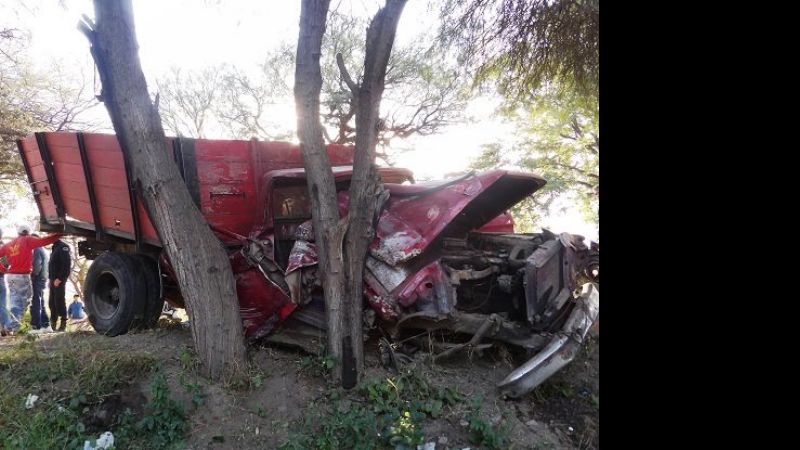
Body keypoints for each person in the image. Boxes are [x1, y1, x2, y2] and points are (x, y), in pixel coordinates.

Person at [0, 225, 61, 333]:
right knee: (24, 301)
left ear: (18, 232)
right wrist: (59, 234)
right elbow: (44, 241)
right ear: (28, 233)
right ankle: (11, 328)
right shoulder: (28, 240)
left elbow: (2, 256)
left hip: (10, 277)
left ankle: (10, 326)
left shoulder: (8, 244)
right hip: (22, 276)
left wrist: (5, 268)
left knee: (15, 300)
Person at [48, 237, 72, 332]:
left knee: (59, 301)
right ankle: (53, 324)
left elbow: (66, 265)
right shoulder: (54, 247)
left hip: (59, 279)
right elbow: (52, 265)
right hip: (52, 280)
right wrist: (50, 279)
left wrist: (59, 279)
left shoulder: (63, 247)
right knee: (51, 302)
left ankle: (63, 323)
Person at [29, 234, 51, 333]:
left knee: (36, 302)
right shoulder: (42, 249)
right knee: (40, 302)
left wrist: (33, 276)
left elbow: (37, 265)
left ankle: (36, 327)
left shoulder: (37, 248)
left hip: (37, 278)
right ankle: (46, 325)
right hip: (42, 278)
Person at [0, 228, 12, 336]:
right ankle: (5, 328)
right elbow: (6, 265)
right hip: (0, 279)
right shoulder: (3, 247)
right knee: (2, 305)